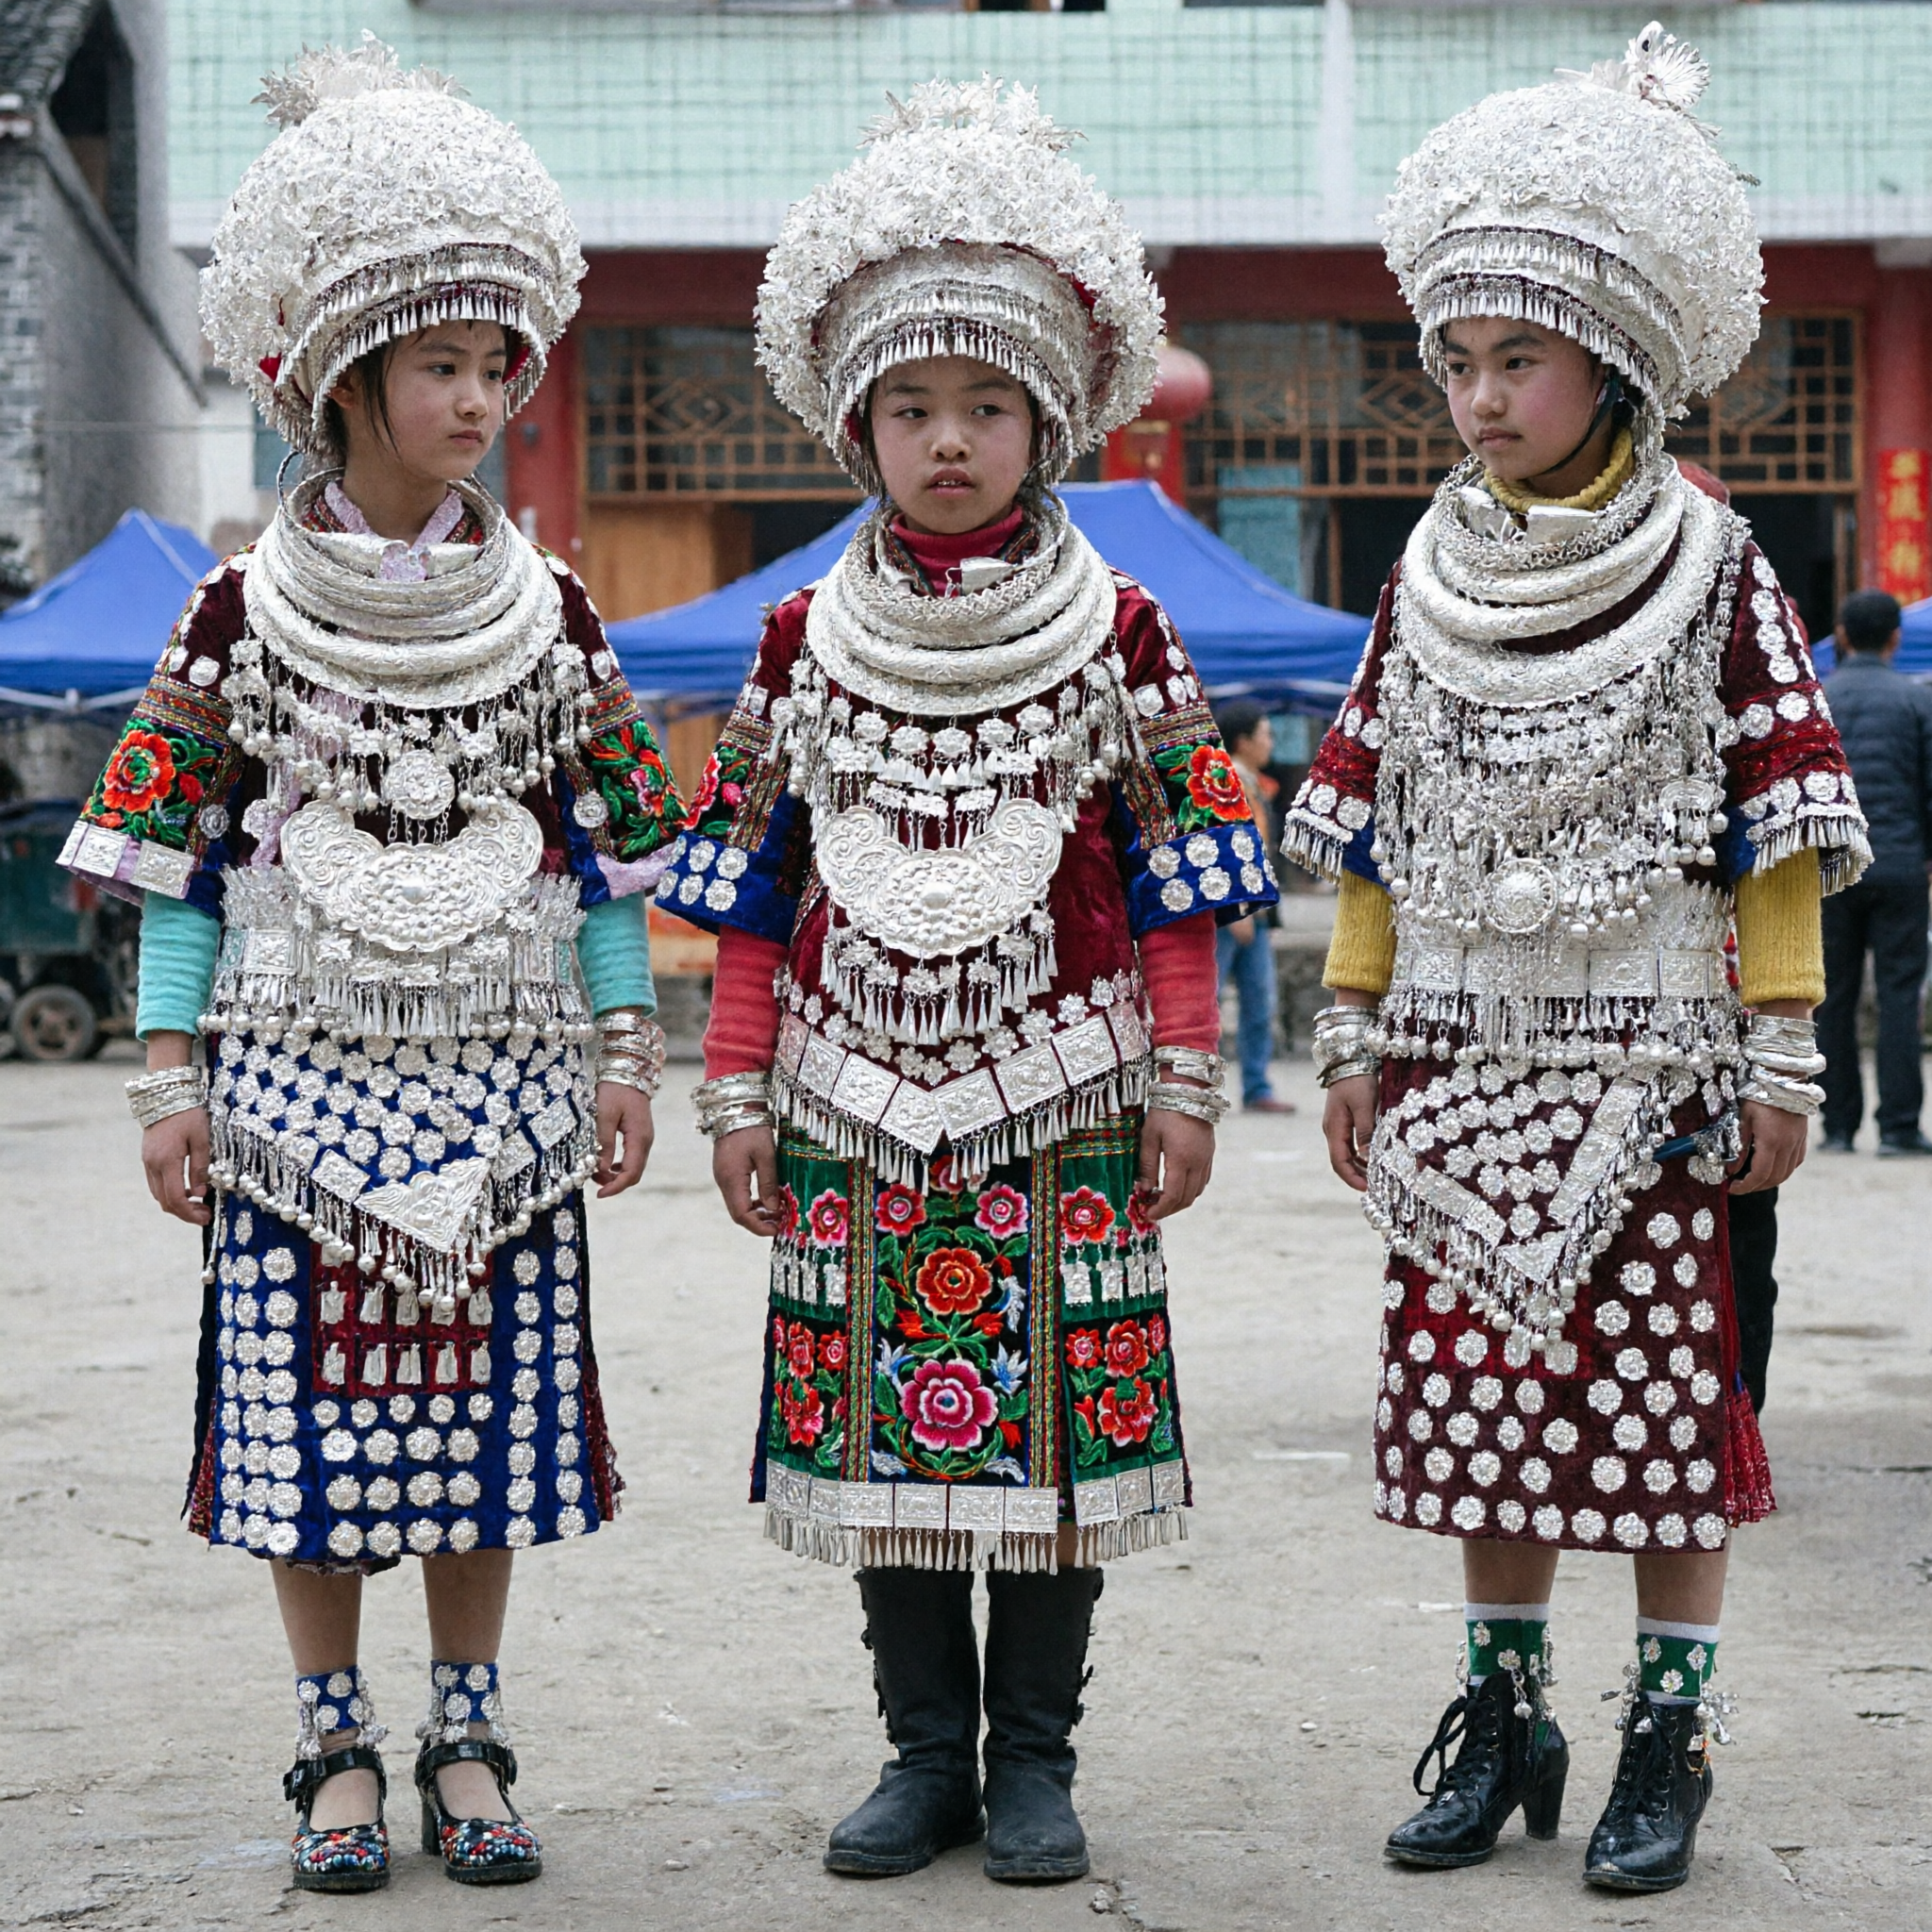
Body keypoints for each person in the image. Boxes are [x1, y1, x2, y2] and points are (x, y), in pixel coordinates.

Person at [60, 39, 684, 1892]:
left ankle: (470, 1732)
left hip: (501, 1085)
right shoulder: (233, 606)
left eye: (504, 362)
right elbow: (181, 863)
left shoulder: (553, 605)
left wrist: (626, 1053)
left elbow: (595, 864)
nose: (483, 395)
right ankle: (333, 1745)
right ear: (340, 377)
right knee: (306, 1435)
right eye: (443, 363)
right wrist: (169, 1078)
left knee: (483, 1433)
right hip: (284, 1090)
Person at [655, 80, 1275, 1886]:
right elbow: (754, 888)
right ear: (859, 423)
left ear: (1047, 424)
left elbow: (1177, 875)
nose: (949, 438)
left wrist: (1179, 1077)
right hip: (847, 1093)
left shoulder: (1123, 625)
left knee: (1062, 1431)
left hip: (1065, 1090)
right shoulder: (797, 636)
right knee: (880, 1437)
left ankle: (1038, 1762)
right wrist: (735, 1087)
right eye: (914, 406)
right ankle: (923, 1753)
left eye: (986, 405)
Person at [1286, 25, 1868, 1895]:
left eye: (1509, 360)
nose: (1475, 397)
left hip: (1652, 1066)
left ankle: (1666, 1731)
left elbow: (1768, 818)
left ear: (1605, 362)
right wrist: (1351, 1029)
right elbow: (1370, 824)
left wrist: (1783, 1050)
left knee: (1659, 1422)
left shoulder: (1715, 563)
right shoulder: (1422, 577)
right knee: (1476, 1413)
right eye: (1452, 362)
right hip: (1457, 1057)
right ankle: (1505, 1710)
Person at [1816, 589, 1932, 1155]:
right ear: (1895, 637)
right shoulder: (1916, 701)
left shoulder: (1821, 699)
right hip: (1902, 865)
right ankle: (1900, 1127)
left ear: (1840, 634)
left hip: (1834, 868)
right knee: (1899, 994)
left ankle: (1838, 1127)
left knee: (1833, 995)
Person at [1210, 698, 1293, 1114]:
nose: (1269, 742)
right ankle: (1201, 1085)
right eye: (1264, 734)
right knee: (1210, 1001)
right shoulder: (1227, 784)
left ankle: (1257, 1085)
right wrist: (1236, 907)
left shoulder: (1253, 782)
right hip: (1235, 911)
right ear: (1243, 741)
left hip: (1255, 911)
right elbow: (1227, 850)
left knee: (1260, 1001)